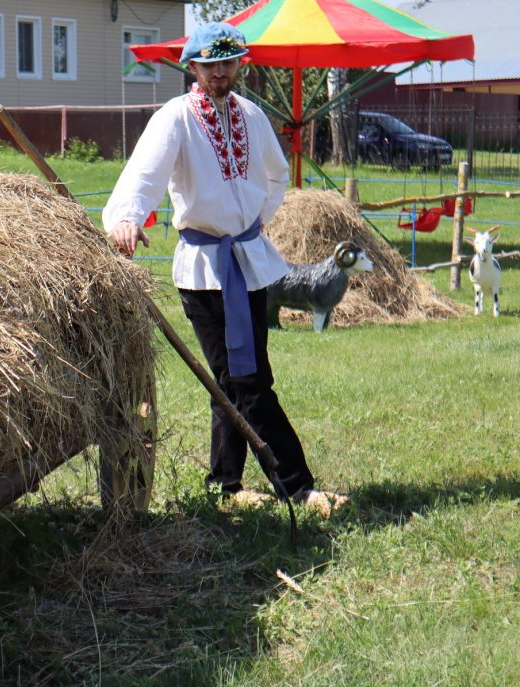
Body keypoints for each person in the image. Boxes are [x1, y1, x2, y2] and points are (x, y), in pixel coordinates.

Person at [102, 22, 348, 516]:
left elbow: (276, 174)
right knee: (246, 382)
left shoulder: (252, 115)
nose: (219, 72)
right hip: (202, 271)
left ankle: (226, 486)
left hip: (247, 265)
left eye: (228, 62)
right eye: (209, 64)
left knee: (236, 381)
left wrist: (255, 220)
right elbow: (144, 173)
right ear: (192, 67)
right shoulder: (175, 118)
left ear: (240, 64)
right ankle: (299, 489)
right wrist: (128, 217)